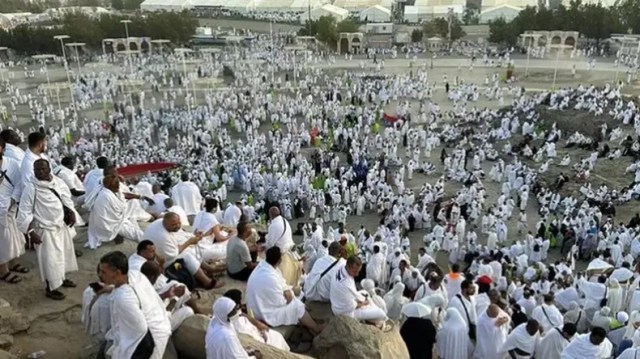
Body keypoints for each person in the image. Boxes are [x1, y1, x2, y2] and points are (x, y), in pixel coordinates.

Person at [17, 159, 78, 300]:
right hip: (44, 229)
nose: (40, 172)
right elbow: (24, 212)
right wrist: (31, 233)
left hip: (60, 225)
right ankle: (51, 288)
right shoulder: (31, 188)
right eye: (36, 170)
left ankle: (61, 279)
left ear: (49, 169)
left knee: (63, 255)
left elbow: (65, 198)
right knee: (50, 260)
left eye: (43, 169)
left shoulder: (57, 181)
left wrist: (72, 212)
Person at [99, 251, 171, 359]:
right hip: (161, 324)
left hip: (150, 340)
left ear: (118, 273)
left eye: (104, 272)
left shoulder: (123, 298)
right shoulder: (135, 274)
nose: (100, 275)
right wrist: (110, 288)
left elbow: (140, 330)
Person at [246, 246, 323, 334]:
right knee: (297, 307)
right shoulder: (271, 277)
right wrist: (290, 293)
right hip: (263, 312)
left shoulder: (263, 266)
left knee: (297, 293)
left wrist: (289, 291)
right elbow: (281, 301)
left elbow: (281, 285)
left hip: (257, 305)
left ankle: (308, 322)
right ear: (279, 261)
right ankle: (315, 328)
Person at [144, 212, 222, 289]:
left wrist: (193, 237)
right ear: (166, 223)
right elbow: (174, 253)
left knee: (188, 249)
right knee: (187, 255)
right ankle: (207, 282)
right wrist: (189, 242)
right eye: (174, 225)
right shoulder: (162, 236)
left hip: (162, 251)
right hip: (159, 262)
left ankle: (207, 268)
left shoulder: (161, 223)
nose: (178, 226)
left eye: (179, 223)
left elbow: (178, 236)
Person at [87, 174, 144, 249]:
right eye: (118, 185)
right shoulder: (105, 196)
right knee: (137, 234)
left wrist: (139, 197)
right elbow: (103, 220)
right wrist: (114, 234)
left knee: (134, 227)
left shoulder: (108, 190)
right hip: (110, 226)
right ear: (112, 187)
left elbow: (123, 195)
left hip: (117, 220)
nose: (119, 187)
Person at [223, 289, 290, 351]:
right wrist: (263, 336)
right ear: (237, 305)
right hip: (261, 341)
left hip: (256, 333)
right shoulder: (239, 323)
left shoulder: (229, 316)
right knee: (277, 337)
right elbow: (252, 339)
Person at [0, 137, 27, 284]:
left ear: (3, 148)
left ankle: (13, 262)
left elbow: (18, 184)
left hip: (11, 205)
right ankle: (3, 270)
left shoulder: (11, 164)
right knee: (2, 240)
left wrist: (12, 200)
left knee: (14, 236)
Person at [330, 255, 387, 324]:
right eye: (355, 271)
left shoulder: (341, 266)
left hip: (336, 304)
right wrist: (362, 304)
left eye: (358, 271)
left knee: (364, 292)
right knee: (381, 313)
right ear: (348, 266)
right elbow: (349, 307)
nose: (357, 274)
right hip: (344, 313)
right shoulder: (347, 284)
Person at [265, 206, 299, 286]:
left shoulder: (274, 225)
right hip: (291, 247)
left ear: (270, 215)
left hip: (282, 250)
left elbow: (270, 244)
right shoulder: (284, 220)